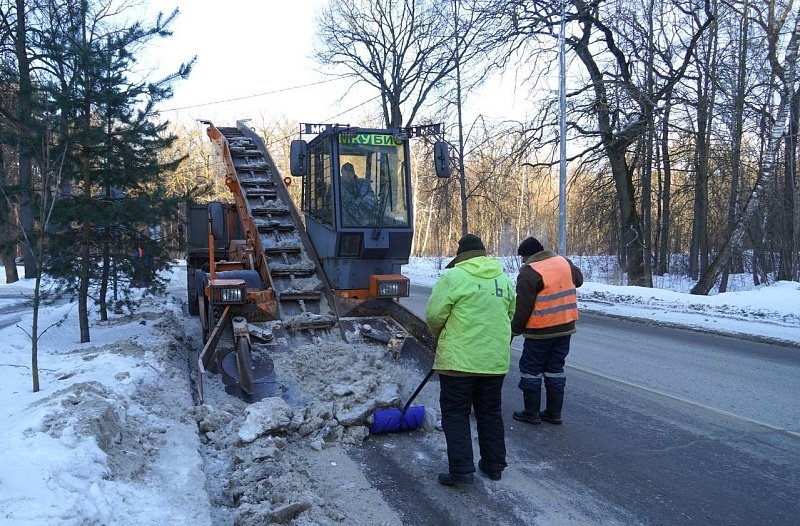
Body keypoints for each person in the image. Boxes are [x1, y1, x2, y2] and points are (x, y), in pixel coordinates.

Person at [425, 234, 516, 486]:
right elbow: (510, 313)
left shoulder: (453, 277)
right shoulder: (503, 279)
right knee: (490, 412)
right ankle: (494, 465)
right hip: (494, 361)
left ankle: (462, 470)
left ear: (460, 255)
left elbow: (434, 316)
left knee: (455, 413)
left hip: (458, 362)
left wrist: (441, 335)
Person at [511, 237, 583, 426]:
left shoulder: (529, 272)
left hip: (540, 331)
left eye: (523, 257)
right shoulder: (563, 262)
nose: (522, 262)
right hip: (565, 328)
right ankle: (553, 413)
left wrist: (514, 330)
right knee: (555, 370)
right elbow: (579, 280)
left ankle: (531, 413)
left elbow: (523, 307)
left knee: (531, 371)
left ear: (528, 255)